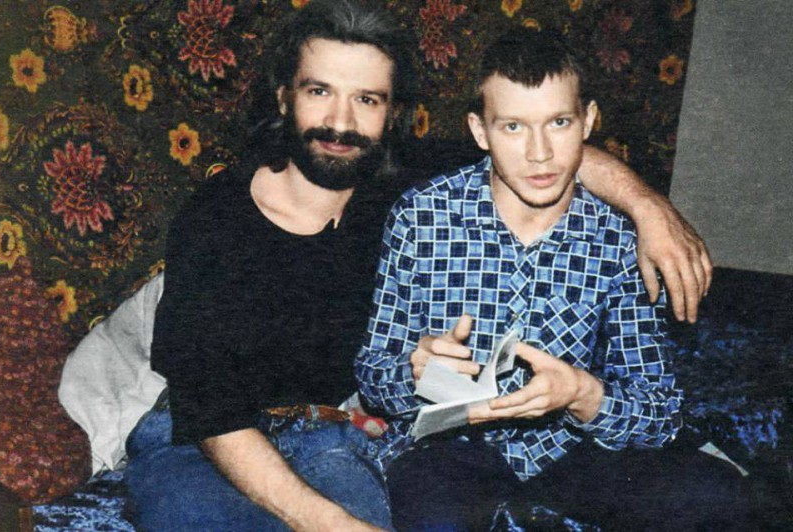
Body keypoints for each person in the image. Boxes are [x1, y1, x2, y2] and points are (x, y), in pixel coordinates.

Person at [126, 1, 713, 530]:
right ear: (284, 97)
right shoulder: (214, 219)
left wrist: (647, 207)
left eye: (367, 99)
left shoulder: (398, 189)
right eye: (319, 91)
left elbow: (534, 149)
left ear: (391, 114)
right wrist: (330, 524)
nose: (342, 121)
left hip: (331, 437)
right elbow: (212, 414)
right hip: (201, 442)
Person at [356, 28, 750, 531]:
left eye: (558, 122)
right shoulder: (421, 216)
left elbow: (660, 409)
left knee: (723, 497)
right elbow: (372, 376)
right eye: (513, 127)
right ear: (480, 131)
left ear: (588, 120)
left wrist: (583, 394)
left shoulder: (618, 236)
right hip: (449, 451)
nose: (539, 153)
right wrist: (416, 373)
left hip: (568, 448)